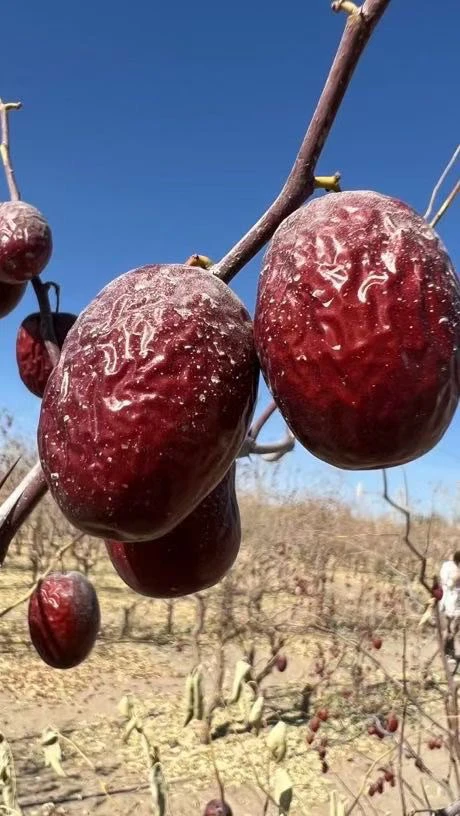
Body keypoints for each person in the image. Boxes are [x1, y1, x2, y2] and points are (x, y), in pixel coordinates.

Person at [439, 551, 460, 655]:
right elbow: (448, 584)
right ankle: (446, 652)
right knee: (449, 628)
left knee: (453, 628)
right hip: (450, 601)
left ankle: (449, 651)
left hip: (454, 601)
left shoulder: (450, 566)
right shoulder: (449, 567)